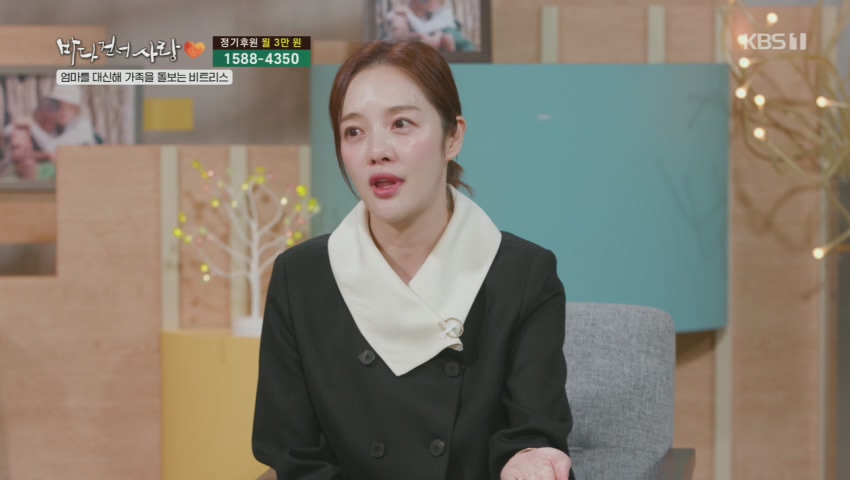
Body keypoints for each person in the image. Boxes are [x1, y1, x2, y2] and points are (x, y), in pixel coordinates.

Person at [252, 40, 575, 480]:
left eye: (400, 123)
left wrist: (530, 457)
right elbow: (293, 455)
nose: (376, 150)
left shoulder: (522, 274)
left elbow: (533, 432)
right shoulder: (300, 277)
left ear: (453, 137)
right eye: (354, 131)